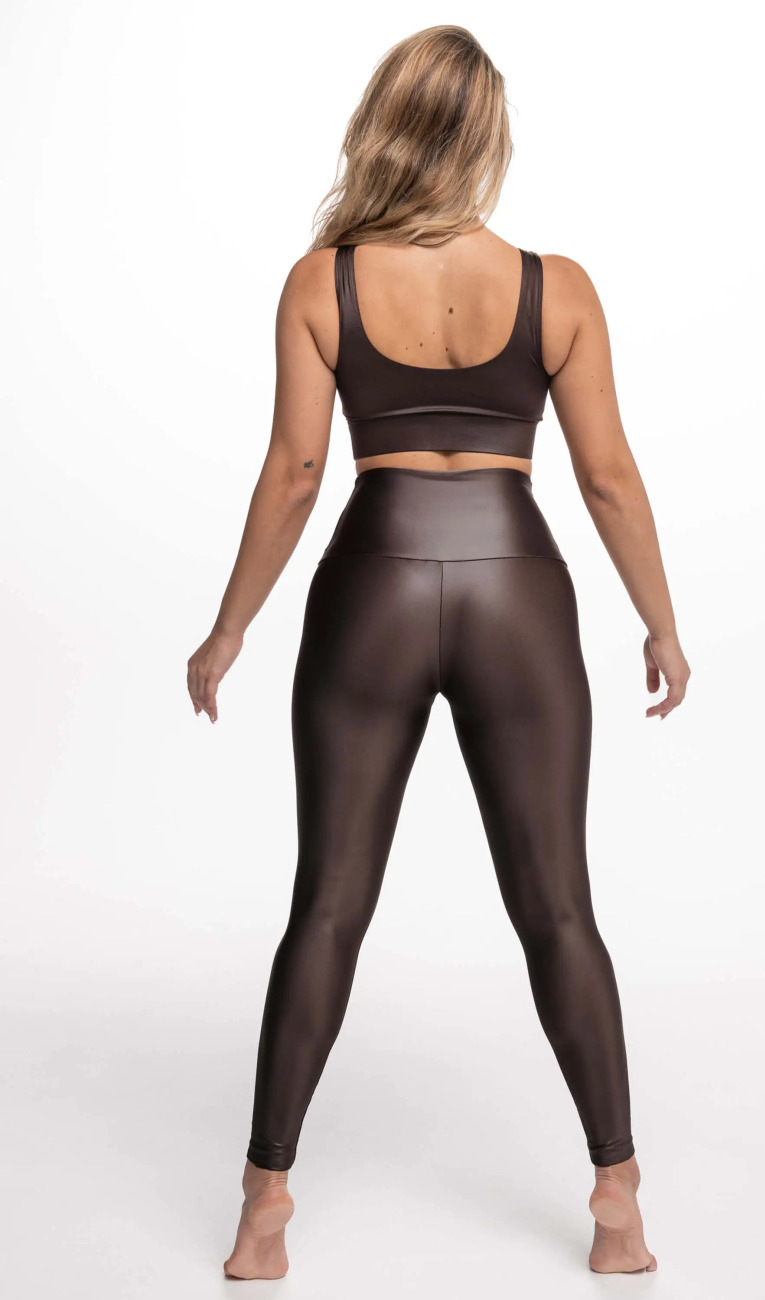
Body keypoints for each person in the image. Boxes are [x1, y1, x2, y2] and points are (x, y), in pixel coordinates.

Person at [186, 23, 689, 1282]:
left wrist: (230, 626)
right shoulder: (558, 287)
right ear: (489, 139)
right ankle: (618, 1203)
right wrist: (662, 622)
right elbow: (609, 477)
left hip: (376, 581)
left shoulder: (323, 282)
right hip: (518, 584)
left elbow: (297, 472)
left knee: (328, 902)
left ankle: (263, 1207)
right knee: (558, 904)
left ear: (385, 126)